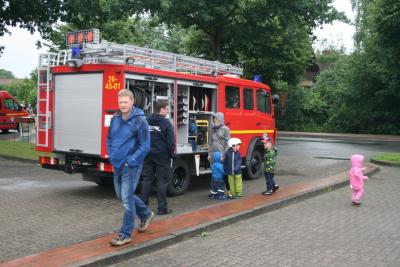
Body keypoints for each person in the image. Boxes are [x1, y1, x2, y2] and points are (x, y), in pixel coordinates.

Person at [106, 89, 155, 246]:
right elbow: (109, 139)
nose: (123, 105)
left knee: (126, 200)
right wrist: (112, 155)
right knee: (122, 196)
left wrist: (131, 160)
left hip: (131, 166)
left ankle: (125, 234)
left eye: (125, 102)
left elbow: (145, 145)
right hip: (117, 163)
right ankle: (146, 214)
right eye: (120, 102)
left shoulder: (140, 120)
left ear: (132, 101)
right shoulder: (115, 118)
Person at [140, 100, 175, 215]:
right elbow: (170, 142)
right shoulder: (166, 123)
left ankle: (143, 208)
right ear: (161, 109)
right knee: (162, 181)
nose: (168, 110)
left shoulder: (146, 120)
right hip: (162, 156)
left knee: (147, 180)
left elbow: (141, 136)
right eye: (167, 108)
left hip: (148, 154)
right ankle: (161, 209)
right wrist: (171, 155)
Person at [208, 112, 231, 196]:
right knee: (214, 173)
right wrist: (209, 154)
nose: (215, 120)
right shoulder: (212, 129)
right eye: (214, 119)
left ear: (221, 119)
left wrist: (224, 155)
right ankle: (213, 190)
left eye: (217, 118)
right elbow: (210, 143)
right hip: (214, 154)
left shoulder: (226, 129)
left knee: (221, 173)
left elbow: (228, 144)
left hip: (221, 155)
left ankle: (221, 191)